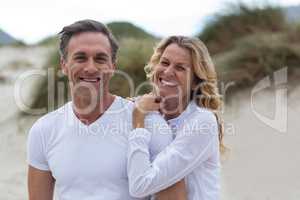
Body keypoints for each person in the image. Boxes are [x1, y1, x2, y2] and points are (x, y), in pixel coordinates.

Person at [26, 19, 175, 200]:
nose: (90, 67)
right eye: (80, 57)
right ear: (64, 65)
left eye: (100, 58)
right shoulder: (44, 130)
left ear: (113, 65)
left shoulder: (147, 122)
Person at [127, 36, 225, 200]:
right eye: (164, 63)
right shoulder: (146, 109)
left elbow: (140, 185)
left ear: (195, 82)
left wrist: (138, 121)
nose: (168, 72)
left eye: (180, 68)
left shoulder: (202, 122)